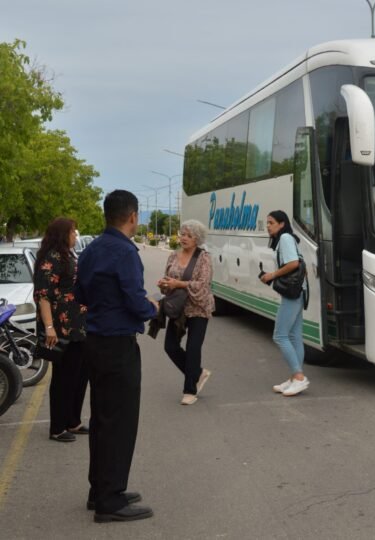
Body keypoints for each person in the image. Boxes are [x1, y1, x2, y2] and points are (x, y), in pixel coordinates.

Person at [76, 190, 158, 523]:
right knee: (120, 423)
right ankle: (111, 500)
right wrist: (153, 306)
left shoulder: (92, 249)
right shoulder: (125, 253)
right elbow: (136, 302)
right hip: (117, 345)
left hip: (94, 340)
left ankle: (101, 490)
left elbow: (80, 293)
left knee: (102, 420)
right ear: (133, 216)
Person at [33, 218, 88, 443]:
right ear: (62, 234)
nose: (76, 234)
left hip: (79, 327)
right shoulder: (50, 258)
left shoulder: (69, 255)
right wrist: (49, 328)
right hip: (61, 328)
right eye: (73, 231)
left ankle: (73, 421)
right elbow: (43, 296)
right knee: (64, 379)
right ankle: (57, 427)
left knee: (80, 375)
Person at [158, 219, 214, 406]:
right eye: (182, 234)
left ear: (197, 239)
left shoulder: (204, 257)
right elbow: (168, 279)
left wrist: (178, 284)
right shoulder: (173, 256)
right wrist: (165, 284)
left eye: (189, 235)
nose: (184, 238)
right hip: (178, 309)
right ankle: (197, 373)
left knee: (193, 348)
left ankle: (190, 390)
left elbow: (202, 285)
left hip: (198, 308)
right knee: (170, 346)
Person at [259, 210, 309, 397]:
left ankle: (298, 376)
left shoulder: (286, 238)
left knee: (280, 335)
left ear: (282, 224)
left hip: (293, 294)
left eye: (271, 222)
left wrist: (272, 275)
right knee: (295, 336)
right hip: (297, 291)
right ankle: (295, 377)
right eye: (267, 223)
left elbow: (293, 263)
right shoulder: (285, 239)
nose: (268, 226)